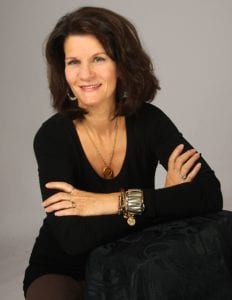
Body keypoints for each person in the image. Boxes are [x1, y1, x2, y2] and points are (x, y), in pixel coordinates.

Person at [23, 6, 223, 300]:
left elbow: (209, 194)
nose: (85, 74)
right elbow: (73, 238)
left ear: (121, 64)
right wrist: (162, 203)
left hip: (134, 259)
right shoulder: (52, 136)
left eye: (98, 59)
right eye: (73, 62)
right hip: (65, 269)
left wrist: (108, 202)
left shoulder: (150, 120)